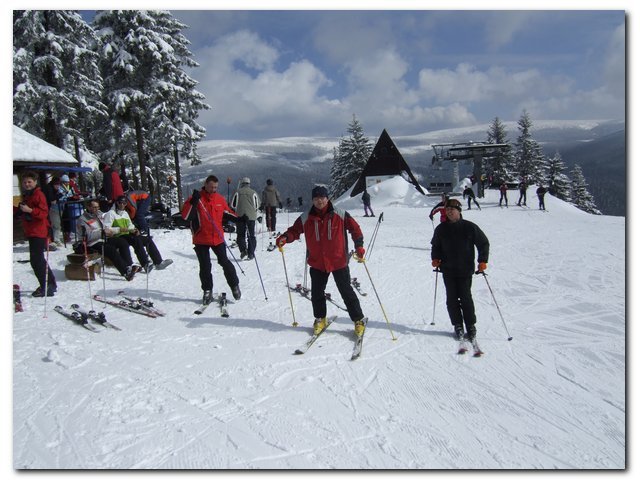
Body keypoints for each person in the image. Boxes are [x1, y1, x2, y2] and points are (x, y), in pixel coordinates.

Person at [276, 185, 368, 337]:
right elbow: (295, 230)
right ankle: (320, 318)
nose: (319, 201)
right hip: (317, 261)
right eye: (316, 198)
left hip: (338, 260)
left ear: (328, 198)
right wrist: (285, 237)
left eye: (322, 198)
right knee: (317, 293)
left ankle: (358, 320)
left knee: (346, 291)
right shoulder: (306, 217)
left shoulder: (340, 214)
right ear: (312, 200)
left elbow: (355, 229)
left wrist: (359, 246)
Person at [431, 198, 489, 342]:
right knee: (451, 299)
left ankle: (470, 325)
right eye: (448, 210)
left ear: (459, 211)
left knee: (465, 298)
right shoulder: (441, 228)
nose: (450, 212)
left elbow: (483, 243)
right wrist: (435, 258)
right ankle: (457, 324)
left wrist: (483, 261)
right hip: (448, 269)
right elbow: (436, 246)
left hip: (465, 269)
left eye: (453, 209)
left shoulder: (469, 227)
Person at [182, 175, 241, 305]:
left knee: (225, 262)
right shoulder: (196, 198)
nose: (213, 189)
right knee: (205, 266)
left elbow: (227, 212)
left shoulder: (219, 199)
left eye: (215, 187)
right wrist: (193, 202)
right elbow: (186, 216)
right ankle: (207, 290)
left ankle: (234, 285)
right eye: (211, 187)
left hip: (217, 238)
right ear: (205, 184)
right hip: (201, 238)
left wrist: (239, 219)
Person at [14, 171, 57, 297]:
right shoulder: (28, 195)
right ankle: (50, 284)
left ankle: (47, 285)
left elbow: (43, 213)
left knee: (36, 260)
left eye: (29, 182)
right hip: (32, 231)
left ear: (35, 182)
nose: (27, 184)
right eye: (25, 182)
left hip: (39, 231)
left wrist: (30, 210)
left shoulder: (39, 195)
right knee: (38, 260)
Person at [76, 200, 137, 281]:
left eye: (97, 207)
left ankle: (128, 265)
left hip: (104, 238)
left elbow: (107, 227)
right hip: (92, 242)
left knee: (122, 242)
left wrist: (116, 230)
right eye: (94, 207)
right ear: (88, 207)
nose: (96, 209)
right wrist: (102, 232)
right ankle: (125, 272)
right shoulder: (83, 220)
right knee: (110, 250)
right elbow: (87, 236)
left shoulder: (99, 215)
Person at [102, 195, 153, 272]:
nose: (122, 205)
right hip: (115, 236)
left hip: (126, 234)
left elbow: (130, 225)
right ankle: (141, 263)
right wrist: (119, 229)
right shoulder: (111, 213)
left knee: (145, 239)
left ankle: (157, 261)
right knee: (130, 241)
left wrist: (135, 230)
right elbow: (106, 229)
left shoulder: (125, 213)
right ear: (117, 203)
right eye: (120, 203)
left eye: (124, 203)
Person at [230, 177, 260, 260]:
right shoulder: (253, 193)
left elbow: (233, 205)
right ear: (249, 184)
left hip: (240, 217)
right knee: (251, 236)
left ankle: (243, 251)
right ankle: (251, 253)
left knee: (240, 235)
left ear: (242, 183)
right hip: (251, 217)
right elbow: (257, 205)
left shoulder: (237, 192)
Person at [42, 176, 63, 246]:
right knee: (53, 224)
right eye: (56, 184)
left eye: (59, 184)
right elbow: (51, 199)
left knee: (53, 224)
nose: (58, 186)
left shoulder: (52, 188)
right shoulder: (49, 188)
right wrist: (59, 196)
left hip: (49, 208)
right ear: (53, 184)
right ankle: (51, 240)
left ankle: (51, 239)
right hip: (46, 208)